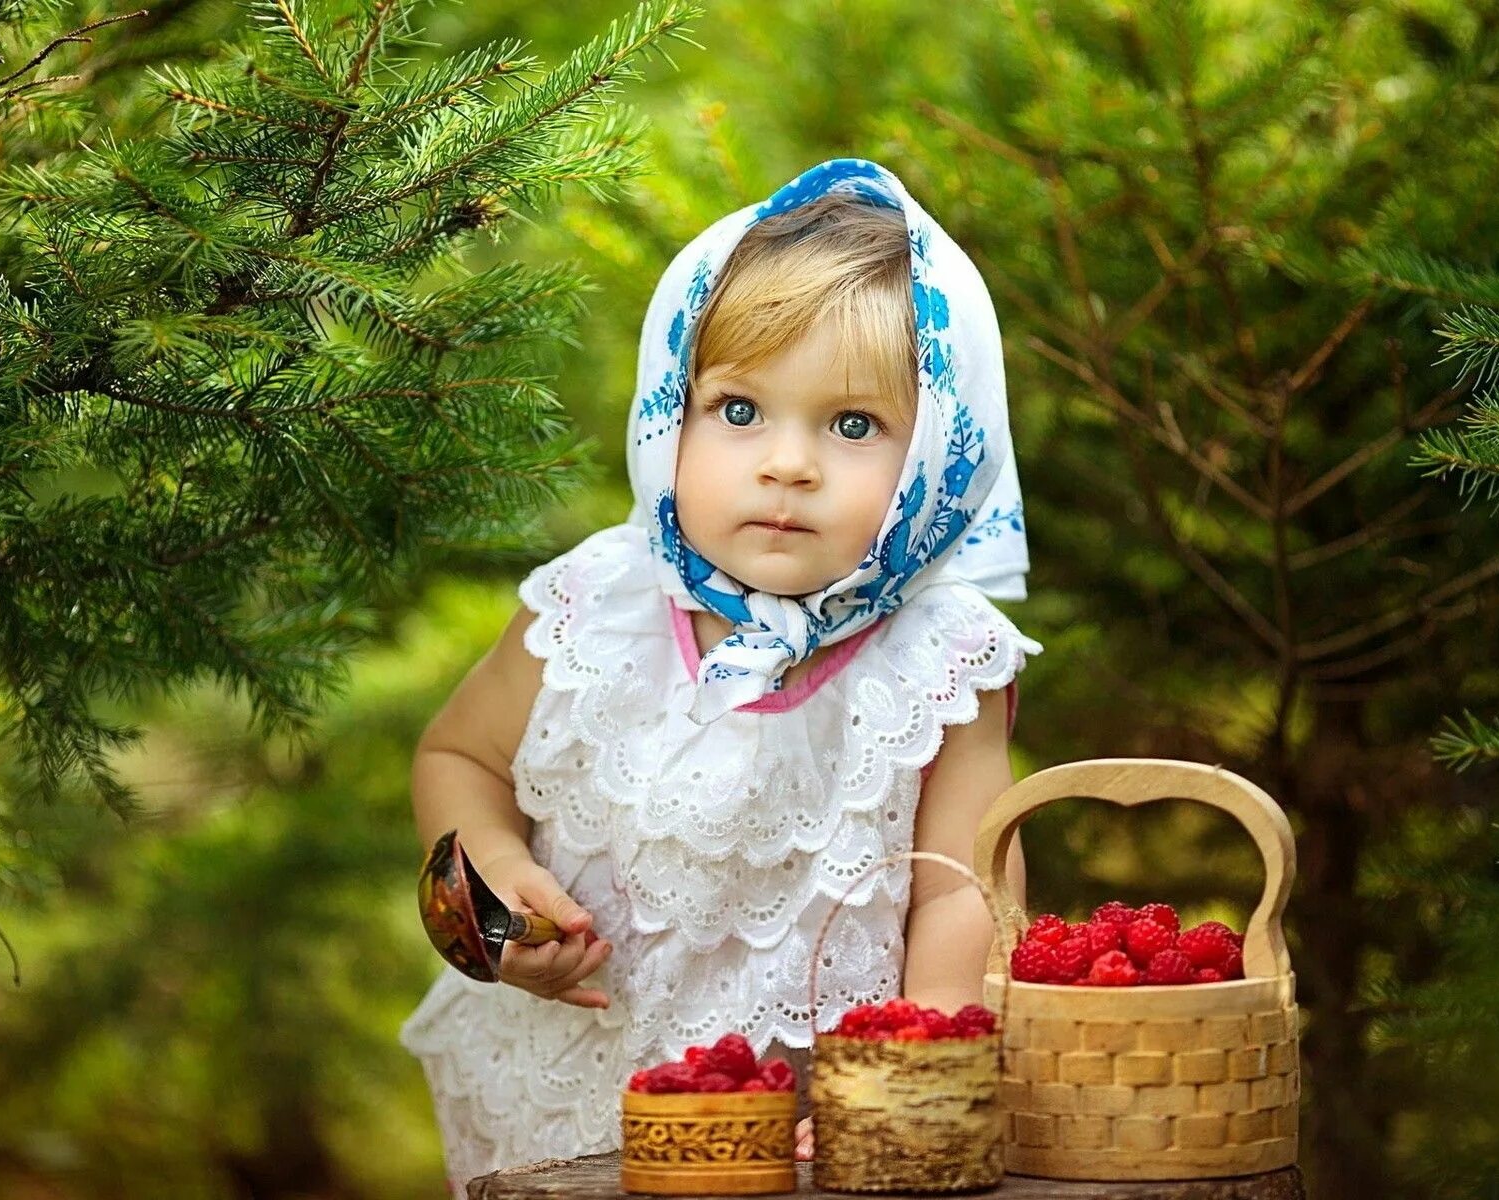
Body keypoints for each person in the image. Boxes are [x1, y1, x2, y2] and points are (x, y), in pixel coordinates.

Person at [399, 158, 1041, 1194]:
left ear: (939, 458)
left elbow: (964, 891)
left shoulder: (941, 656)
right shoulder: (598, 601)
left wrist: (912, 1075)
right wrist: (489, 889)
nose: (789, 465)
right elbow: (457, 754)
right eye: (739, 410)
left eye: (853, 426)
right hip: (561, 1095)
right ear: (670, 412)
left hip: (803, 1128)